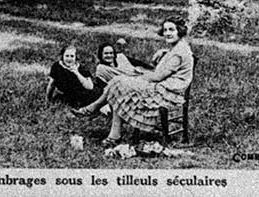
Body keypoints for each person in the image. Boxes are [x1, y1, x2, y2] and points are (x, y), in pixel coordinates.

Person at [73, 17, 194, 147]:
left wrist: (136, 79)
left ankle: (96, 112)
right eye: (165, 30)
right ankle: (108, 128)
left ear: (179, 31)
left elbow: (158, 76)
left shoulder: (178, 52)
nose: (167, 33)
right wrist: (164, 52)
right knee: (118, 83)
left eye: (171, 30)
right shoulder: (178, 47)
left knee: (119, 83)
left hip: (169, 91)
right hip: (164, 84)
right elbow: (165, 67)